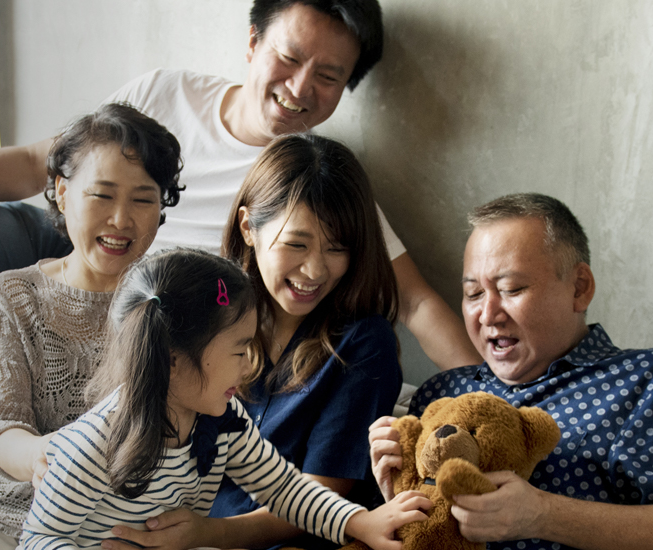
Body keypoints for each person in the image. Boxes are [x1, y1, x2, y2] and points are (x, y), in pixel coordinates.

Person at [0, 0, 478, 497]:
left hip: (111, 321)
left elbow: (409, 296)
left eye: (329, 76)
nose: (299, 86)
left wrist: (498, 391)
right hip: (54, 245)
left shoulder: (306, 187)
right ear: (253, 41)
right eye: (289, 57)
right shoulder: (165, 92)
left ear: (345, 90)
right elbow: (42, 163)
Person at [366, 193, 653, 550]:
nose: (487, 313)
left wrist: (543, 515)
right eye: (473, 293)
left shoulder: (647, 380)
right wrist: (398, 495)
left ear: (579, 288)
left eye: (512, 289)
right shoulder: (441, 393)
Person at [102, 134, 420, 550]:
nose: (315, 269)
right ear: (248, 227)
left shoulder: (363, 344)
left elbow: (322, 496)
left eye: (337, 248)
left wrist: (203, 535)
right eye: (296, 243)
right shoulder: (210, 311)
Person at [21, 249, 431, 550]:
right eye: (239, 352)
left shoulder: (222, 420)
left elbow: (284, 488)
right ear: (172, 362)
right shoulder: (95, 444)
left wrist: (360, 523)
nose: (248, 367)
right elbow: (39, 538)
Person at [0, 104, 182, 550]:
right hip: (0, 509)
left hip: (118, 522)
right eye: (103, 195)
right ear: (62, 191)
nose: (121, 219)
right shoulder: (11, 297)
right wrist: (42, 456)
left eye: (143, 199)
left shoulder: (172, 299)